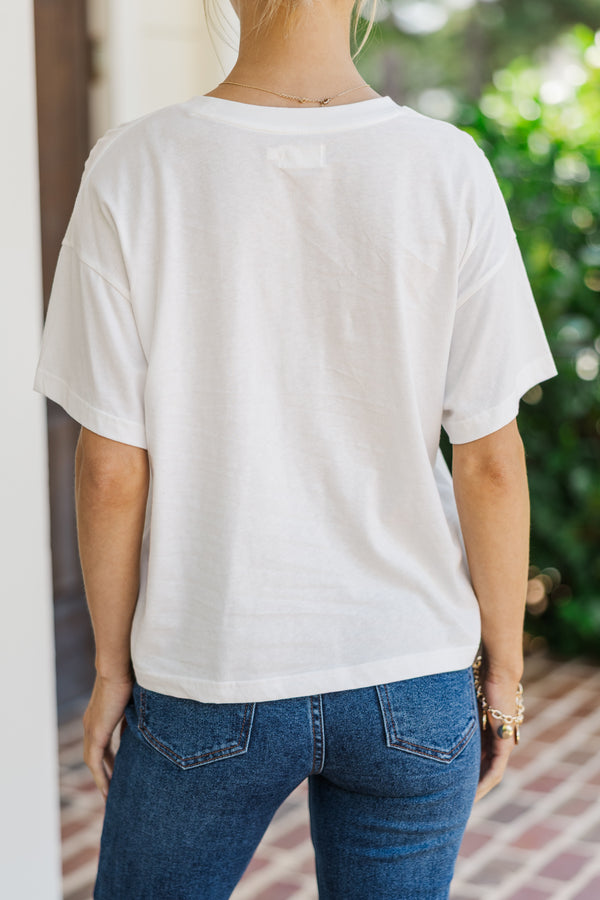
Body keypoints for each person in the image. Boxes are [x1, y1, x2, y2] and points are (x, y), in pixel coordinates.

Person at [34, 0, 558, 896]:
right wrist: (503, 673)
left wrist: (113, 667)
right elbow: (490, 459)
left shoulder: (135, 165)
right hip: (411, 670)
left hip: (211, 664)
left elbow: (111, 465)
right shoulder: (447, 168)